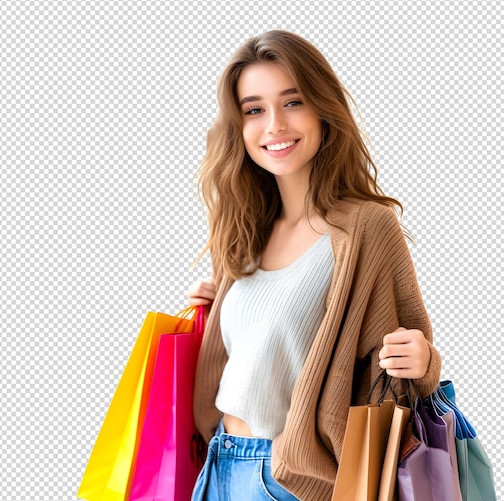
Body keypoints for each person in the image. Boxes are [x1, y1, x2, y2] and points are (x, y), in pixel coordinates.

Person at [187, 29, 442, 501]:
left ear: (323, 108)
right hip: (218, 463)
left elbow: (403, 353)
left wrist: (424, 360)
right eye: (254, 109)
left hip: (292, 479)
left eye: (293, 101)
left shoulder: (365, 226)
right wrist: (216, 312)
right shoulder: (246, 228)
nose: (275, 126)